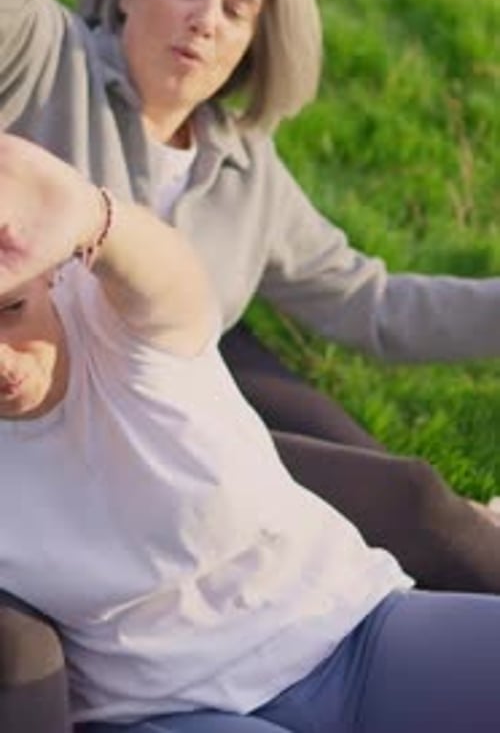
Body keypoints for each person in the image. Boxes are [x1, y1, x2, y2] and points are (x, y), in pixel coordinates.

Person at [3, 130, 500, 733]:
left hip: (345, 626)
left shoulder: (115, 322)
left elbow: (169, 276)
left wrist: (87, 212)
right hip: (176, 708)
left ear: (51, 277)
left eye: (10, 311)